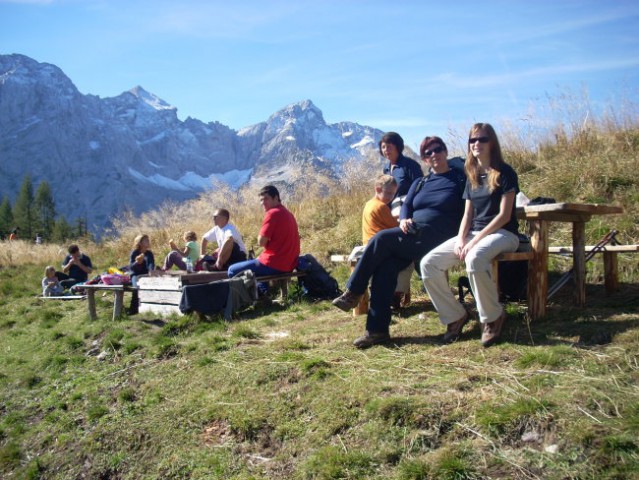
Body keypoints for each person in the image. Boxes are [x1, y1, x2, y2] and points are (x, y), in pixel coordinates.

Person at [333, 135, 466, 348]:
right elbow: (406, 205)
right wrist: (403, 218)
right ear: (424, 158)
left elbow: (470, 207)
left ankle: (354, 291)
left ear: (445, 151)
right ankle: (377, 331)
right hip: (414, 234)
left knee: (381, 238)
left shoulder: (459, 179)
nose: (434, 154)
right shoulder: (421, 182)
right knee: (385, 268)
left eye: (438, 149)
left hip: (440, 236)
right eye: (428, 152)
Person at [420, 123, 520, 347]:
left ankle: (493, 318)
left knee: (475, 258)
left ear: (491, 142)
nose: (476, 144)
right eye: (472, 140)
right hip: (475, 234)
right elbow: (468, 214)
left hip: (504, 235)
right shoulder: (472, 175)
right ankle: (455, 316)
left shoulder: (505, 172)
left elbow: (504, 216)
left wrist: (474, 241)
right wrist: (461, 238)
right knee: (429, 263)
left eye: (482, 139)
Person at [228, 186, 300, 292]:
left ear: (276, 198)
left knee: (231, 270)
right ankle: (262, 293)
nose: (263, 203)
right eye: (261, 200)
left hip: (275, 263)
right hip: (289, 263)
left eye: (266, 199)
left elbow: (261, 242)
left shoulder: (272, 213)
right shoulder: (288, 214)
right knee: (258, 263)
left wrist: (260, 235)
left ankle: (244, 299)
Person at [361, 175, 412, 309]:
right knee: (408, 261)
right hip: (380, 246)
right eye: (388, 193)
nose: (391, 197)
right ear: (378, 189)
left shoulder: (369, 204)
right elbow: (395, 228)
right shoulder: (381, 207)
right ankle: (396, 294)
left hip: (369, 243)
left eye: (393, 194)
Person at [380, 132, 423, 217]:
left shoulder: (409, 165)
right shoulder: (386, 168)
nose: (386, 150)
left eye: (389, 146)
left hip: (407, 209)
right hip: (390, 207)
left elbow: (420, 187)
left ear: (397, 147)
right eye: (383, 147)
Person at [127, 234, 155, 314]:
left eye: (148, 240)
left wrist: (151, 271)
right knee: (136, 287)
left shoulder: (149, 253)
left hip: (145, 274)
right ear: (140, 243)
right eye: (146, 240)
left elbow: (151, 264)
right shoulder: (135, 252)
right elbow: (131, 267)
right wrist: (137, 262)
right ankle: (133, 309)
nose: (148, 242)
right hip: (135, 274)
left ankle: (149, 307)